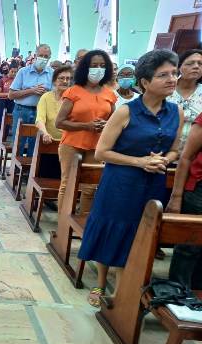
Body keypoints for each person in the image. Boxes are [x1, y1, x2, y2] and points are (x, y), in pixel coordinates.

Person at [78, 49, 182, 307]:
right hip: (121, 182)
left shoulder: (176, 112)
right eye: (163, 75)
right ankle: (102, 284)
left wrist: (165, 160)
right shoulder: (126, 112)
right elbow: (102, 151)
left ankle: (126, 290)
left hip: (153, 182)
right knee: (112, 229)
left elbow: (175, 148)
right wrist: (139, 161)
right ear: (145, 83)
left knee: (139, 233)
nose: (172, 79)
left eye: (173, 73)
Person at [55, 49, 117, 211]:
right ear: (85, 68)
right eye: (94, 65)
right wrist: (86, 126)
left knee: (90, 187)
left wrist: (106, 125)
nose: (98, 69)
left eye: (102, 65)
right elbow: (59, 122)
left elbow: (114, 120)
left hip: (96, 145)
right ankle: (62, 226)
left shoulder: (109, 94)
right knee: (68, 185)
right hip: (72, 143)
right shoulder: (73, 91)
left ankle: (81, 224)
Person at [167, 113, 202, 288]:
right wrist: (176, 196)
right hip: (199, 189)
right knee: (189, 246)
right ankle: (177, 293)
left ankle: (196, 293)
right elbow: (186, 157)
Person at [8, 43, 54, 156]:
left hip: (41, 112)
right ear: (35, 55)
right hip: (21, 110)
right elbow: (11, 95)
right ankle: (15, 169)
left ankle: (29, 170)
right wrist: (31, 91)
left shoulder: (52, 74)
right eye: (41, 55)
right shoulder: (23, 72)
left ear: (49, 58)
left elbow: (55, 96)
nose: (43, 58)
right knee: (19, 142)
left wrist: (46, 94)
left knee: (36, 143)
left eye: (46, 56)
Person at [167, 49, 202, 151]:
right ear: (179, 67)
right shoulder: (166, 89)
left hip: (194, 155)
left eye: (200, 64)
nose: (196, 66)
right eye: (190, 63)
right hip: (163, 153)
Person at [36, 65, 73, 143]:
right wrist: (45, 133)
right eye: (62, 78)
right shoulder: (46, 97)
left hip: (69, 143)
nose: (65, 81)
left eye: (68, 79)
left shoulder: (74, 99)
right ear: (54, 81)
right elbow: (40, 119)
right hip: (49, 141)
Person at [0, 62, 18, 142]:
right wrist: (9, 94)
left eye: (16, 72)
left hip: (12, 103)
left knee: (8, 122)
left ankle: (4, 141)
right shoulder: (3, 80)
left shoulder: (17, 80)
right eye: (12, 71)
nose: (14, 73)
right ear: (9, 70)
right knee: (1, 122)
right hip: (3, 102)